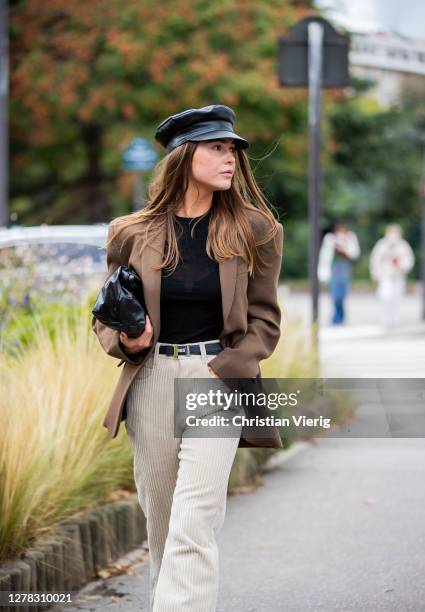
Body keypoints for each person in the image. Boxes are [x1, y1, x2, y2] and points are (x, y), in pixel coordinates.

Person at [91, 104, 284, 611]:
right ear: (184, 155)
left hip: (216, 377)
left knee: (194, 522)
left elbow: (265, 319)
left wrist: (230, 366)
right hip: (151, 378)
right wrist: (127, 341)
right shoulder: (130, 232)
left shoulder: (255, 230)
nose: (231, 158)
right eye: (217, 147)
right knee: (162, 525)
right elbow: (105, 315)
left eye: (233, 149)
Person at [369, 224, 415, 328]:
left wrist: (401, 265)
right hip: (386, 276)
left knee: (397, 297)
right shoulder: (382, 244)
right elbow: (375, 260)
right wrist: (375, 274)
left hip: (398, 276)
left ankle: (395, 319)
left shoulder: (403, 245)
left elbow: (409, 260)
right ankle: (384, 319)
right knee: (385, 296)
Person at [318, 221, 360, 325]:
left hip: (344, 268)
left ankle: (341, 316)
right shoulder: (330, 239)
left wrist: (345, 248)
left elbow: (354, 253)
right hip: (334, 268)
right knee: (335, 295)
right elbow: (325, 256)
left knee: (343, 294)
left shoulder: (350, 238)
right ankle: (336, 317)